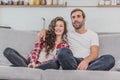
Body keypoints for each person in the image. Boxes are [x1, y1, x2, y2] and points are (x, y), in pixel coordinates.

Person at [38, 8, 115, 70]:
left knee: (109, 59)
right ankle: (82, 72)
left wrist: (85, 62)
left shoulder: (93, 34)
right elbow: (56, 31)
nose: (75, 19)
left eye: (78, 16)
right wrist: (44, 30)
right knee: (62, 52)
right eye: (73, 17)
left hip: (89, 62)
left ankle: (79, 73)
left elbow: (94, 53)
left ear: (84, 19)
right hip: (72, 61)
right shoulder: (67, 33)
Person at [3, 16, 69, 70]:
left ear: (64, 29)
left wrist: (37, 65)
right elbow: (36, 50)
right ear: (53, 27)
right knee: (7, 51)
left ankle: (25, 68)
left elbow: (57, 60)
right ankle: (29, 69)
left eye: (61, 26)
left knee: (55, 64)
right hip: (31, 63)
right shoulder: (45, 37)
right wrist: (33, 62)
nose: (58, 28)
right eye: (56, 25)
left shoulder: (65, 45)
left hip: (45, 66)